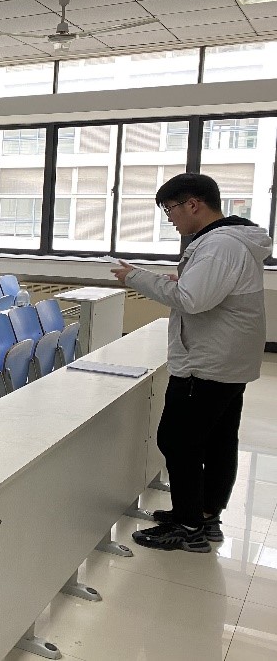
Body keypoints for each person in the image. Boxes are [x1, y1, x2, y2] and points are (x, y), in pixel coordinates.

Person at [111, 173, 270, 553]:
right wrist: (180, 279)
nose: (170, 219)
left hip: (207, 364)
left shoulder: (219, 246)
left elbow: (191, 300)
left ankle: (188, 527)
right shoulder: (231, 241)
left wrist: (136, 278)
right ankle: (203, 514)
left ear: (193, 204)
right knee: (217, 440)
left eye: (170, 210)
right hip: (227, 361)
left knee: (178, 441)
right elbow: (204, 289)